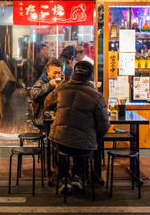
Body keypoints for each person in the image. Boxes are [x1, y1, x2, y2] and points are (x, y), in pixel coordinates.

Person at [44, 61, 110, 193]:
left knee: (63, 144)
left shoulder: (61, 89)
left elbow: (47, 105)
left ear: (74, 73)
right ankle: (77, 177)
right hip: (83, 144)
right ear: (90, 76)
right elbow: (104, 125)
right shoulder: (96, 96)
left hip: (61, 140)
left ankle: (63, 179)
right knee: (82, 145)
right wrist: (96, 139)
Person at [29, 59, 64, 128]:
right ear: (48, 72)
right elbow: (34, 94)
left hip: (55, 114)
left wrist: (64, 84)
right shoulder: (42, 81)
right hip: (43, 117)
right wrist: (49, 85)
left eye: (59, 73)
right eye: (55, 73)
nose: (57, 75)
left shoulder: (59, 81)